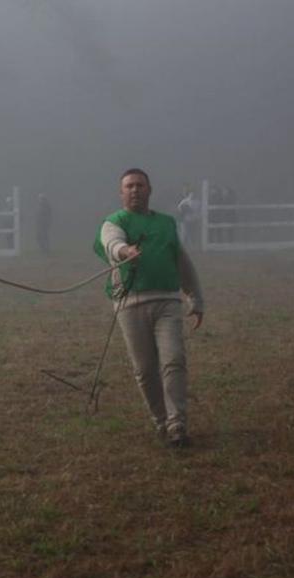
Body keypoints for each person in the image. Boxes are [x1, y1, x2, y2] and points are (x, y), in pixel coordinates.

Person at [93, 168, 205, 448]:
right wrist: (125, 251)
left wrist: (195, 296)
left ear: (149, 190)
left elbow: (181, 260)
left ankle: (177, 422)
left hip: (167, 301)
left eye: (140, 185)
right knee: (144, 369)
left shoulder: (167, 224)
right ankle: (161, 420)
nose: (135, 190)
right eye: (129, 186)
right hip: (130, 304)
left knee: (173, 359)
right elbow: (111, 242)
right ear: (121, 193)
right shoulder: (113, 222)